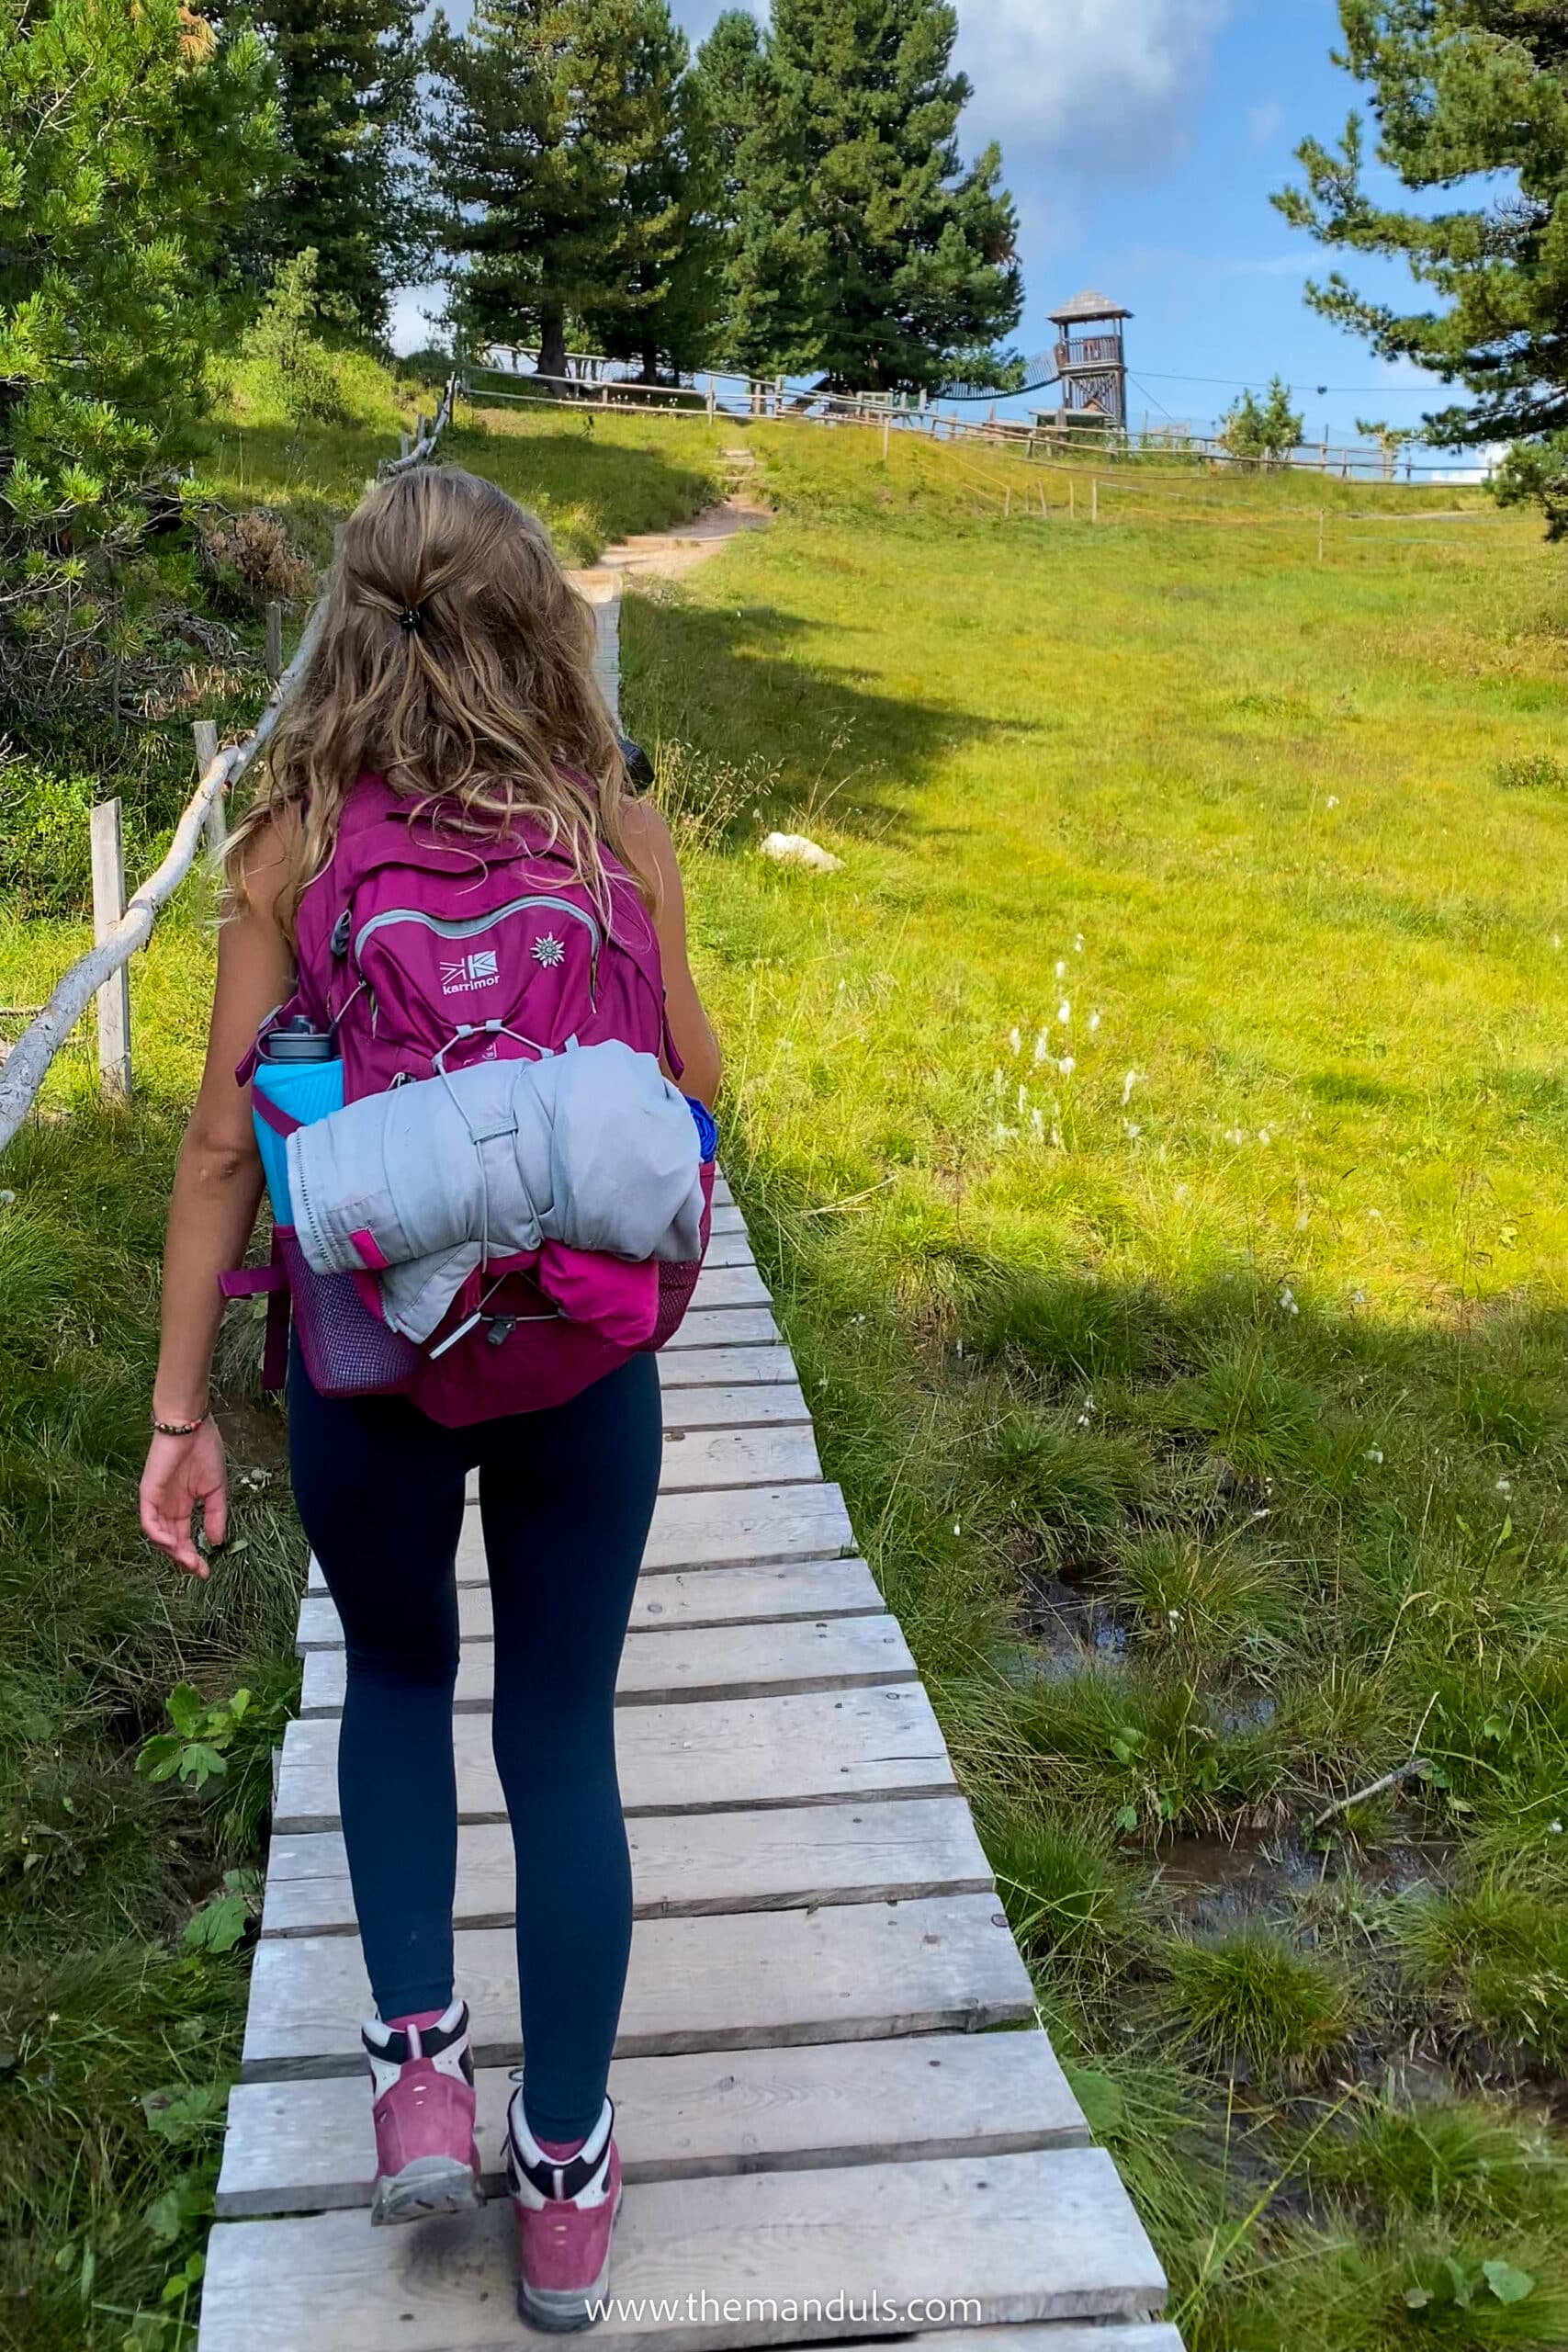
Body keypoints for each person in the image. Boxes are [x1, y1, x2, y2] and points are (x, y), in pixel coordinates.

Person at [138, 466, 721, 2331]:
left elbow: (224, 1142)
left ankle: (412, 2067)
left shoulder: (292, 844)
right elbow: (699, 1100)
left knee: (390, 1675)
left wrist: (178, 1413)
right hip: (573, 1361)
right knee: (560, 1739)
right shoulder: (609, 830)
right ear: (541, 620)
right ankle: (562, 2180)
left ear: (345, 625)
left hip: (365, 1366)